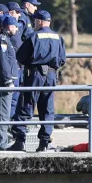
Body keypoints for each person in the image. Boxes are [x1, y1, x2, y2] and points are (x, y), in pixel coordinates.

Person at [9, 10, 65, 152]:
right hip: (51, 75)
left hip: (35, 74)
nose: (34, 23)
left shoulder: (34, 36)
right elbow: (62, 59)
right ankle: (44, 143)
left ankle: (20, 141)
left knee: (26, 106)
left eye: (35, 20)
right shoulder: (58, 37)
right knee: (47, 109)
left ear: (40, 21)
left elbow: (20, 56)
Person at [0, 16, 20, 150]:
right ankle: (2, 144)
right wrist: (8, 80)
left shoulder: (6, 40)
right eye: (15, 26)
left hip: (7, 81)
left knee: (5, 113)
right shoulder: (3, 41)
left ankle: (2, 141)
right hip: (5, 83)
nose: (16, 29)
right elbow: (3, 61)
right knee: (3, 114)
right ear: (9, 27)